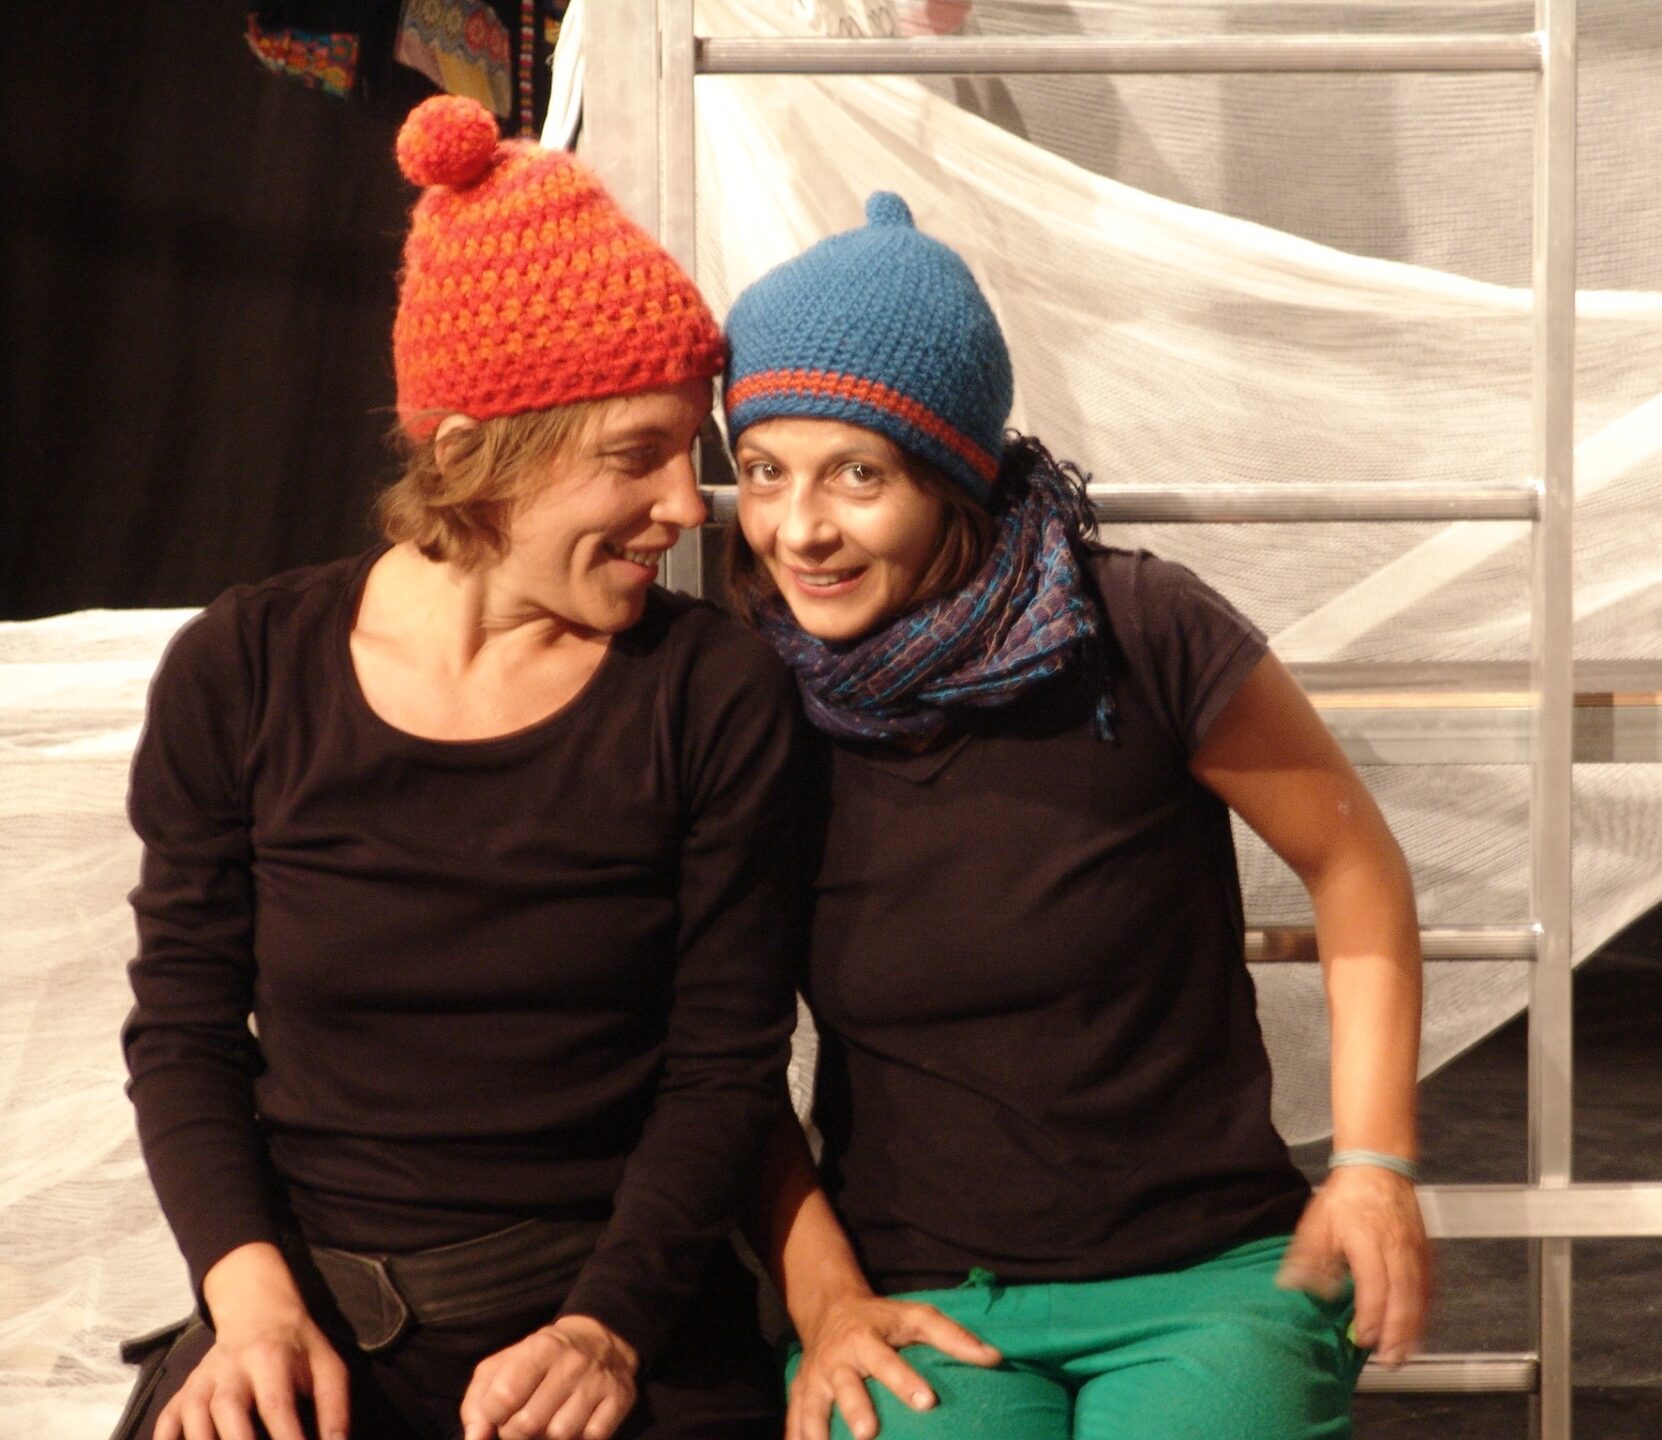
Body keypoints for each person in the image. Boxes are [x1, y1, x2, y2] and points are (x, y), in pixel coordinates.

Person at [118, 96, 802, 1440]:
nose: (686, 506)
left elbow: (724, 1068)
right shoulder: (245, 670)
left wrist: (607, 1330)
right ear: (473, 458)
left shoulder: (710, 693)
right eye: (637, 456)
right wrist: (251, 1313)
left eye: (692, 451)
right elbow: (183, 1032)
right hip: (306, 1318)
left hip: (611, 1320)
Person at [720, 193, 1432, 1440]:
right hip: (918, 1292)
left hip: (1207, 1277)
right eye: (764, 471)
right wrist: (827, 1302)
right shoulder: (745, 695)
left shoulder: (1140, 630)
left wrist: (1373, 1165)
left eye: (858, 474)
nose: (800, 529)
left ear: (953, 474)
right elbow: (716, 1048)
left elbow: (1354, 865)